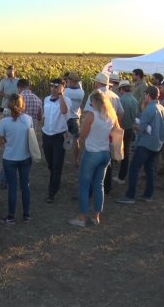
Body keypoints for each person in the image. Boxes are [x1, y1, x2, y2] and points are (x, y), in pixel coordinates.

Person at [68, 91, 118, 227]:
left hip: (92, 153)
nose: (90, 105)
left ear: (95, 102)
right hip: (105, 153)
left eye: (91, 102)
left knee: (84, 185)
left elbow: (83, 134)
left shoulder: (92, 115)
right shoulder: (111, 115)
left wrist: (78, 138)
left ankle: (81, 218)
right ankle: (97, 217)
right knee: (99, 185)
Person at [117, 86, 164, 204]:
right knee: (149, 169)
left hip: (146, 144)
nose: (145, 97)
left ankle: (130, 196)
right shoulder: (161, 107)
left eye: (145, 95)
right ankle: (148, 194)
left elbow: (141, 128)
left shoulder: (150, 108)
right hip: (157, 144)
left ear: (148, 95)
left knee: (134, 168)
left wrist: (133, 125)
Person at [84, 72, 124, 194]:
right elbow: (121, 113)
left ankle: (91, 188)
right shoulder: (115, 96)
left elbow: (87, 113)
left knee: (92, 158)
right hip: (110, 129)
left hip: (95, 130)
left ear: (98, 83)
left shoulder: (94, 95)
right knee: (108, 156)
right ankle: (107, 186)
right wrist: (114, 126)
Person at [0, 94, 33, 224]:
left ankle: (11, 216)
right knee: (25, 185)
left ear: (8, 105)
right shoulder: (28, 119)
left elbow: (1, 141)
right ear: (22, 105)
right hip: (25, 157)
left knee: (12, 187)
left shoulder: (4, 122)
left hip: (9, 158)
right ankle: (26, 215)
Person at [42, 78, 72, 203]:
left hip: (59, 136)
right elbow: (44, 116)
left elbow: (64, 111)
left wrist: (60, 95)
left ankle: (52, 192)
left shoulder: (66, 100)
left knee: (57, 164)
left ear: (62, 88)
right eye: (52, 86)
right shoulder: (46, 99)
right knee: (50, 163)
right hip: (46, 135)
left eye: (56, 86)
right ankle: (55, 178)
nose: (54, 88)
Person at [113, 80, 138, 185]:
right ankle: (122, 176)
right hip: (130, 129)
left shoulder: (121, 100)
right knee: (126, 152)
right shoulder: (134, 100)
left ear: (121, 89)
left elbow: (117, 115)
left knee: (116, 151)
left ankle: (119, 176)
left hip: (120, 128)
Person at [64, 71, 85, 165]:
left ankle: (61, 158)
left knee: (62, 138)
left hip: (66, 117)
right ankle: (76, 160)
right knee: (76, 140)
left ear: (71, 81)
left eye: (68, 79)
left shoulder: (66, 91)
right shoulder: (82, 92)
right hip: (76, 118)